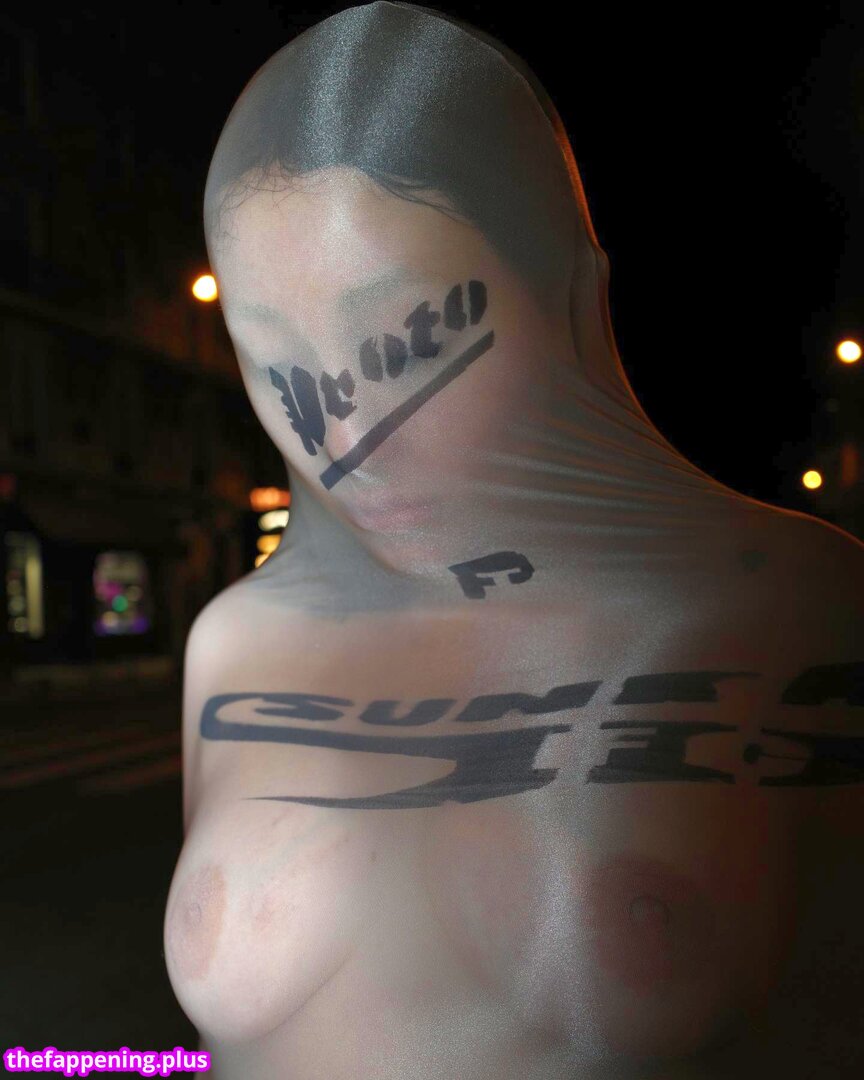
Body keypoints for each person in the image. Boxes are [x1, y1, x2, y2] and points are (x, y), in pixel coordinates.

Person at [164, 3, 864, 1077]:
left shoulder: (796, 608)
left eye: (404, 343)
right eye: (277, 364)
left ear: (569, 302)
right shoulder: (234, 645)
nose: (344, 439)